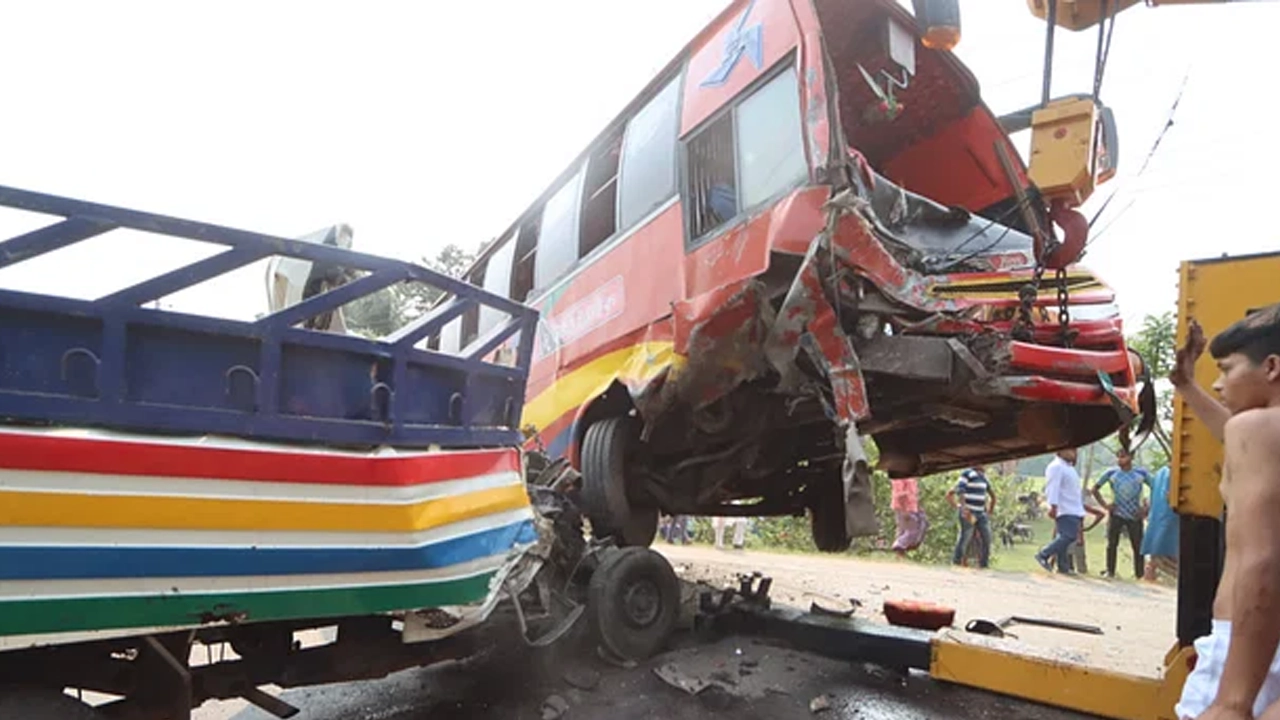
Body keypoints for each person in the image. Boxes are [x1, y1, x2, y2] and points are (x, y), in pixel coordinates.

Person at [1167, 309, 1280, 720]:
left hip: (1247, 647)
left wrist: (1233, 700)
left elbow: (1263, 561)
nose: (1218, 383)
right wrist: (1187, 386)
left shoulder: (1256, 430)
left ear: (1271, 367)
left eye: (1227, 370)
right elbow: (1237, 440)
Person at [1092, 448, 1154, 579]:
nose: (1119, 460)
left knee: (1137, 545)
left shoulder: (1140, 473)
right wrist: (1105, 505)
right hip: (1117, 513)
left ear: (1131, 457)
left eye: (1123, 457)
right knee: (1112, 544)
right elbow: (1095, 489)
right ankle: (1110, 571)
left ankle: (1139, 574)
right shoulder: (1111, 473)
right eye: (1118, 457)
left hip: (1135, 514)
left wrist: (1146, 508)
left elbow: (1155, 487)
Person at [1035, 448, 1086, 575]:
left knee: (1063, 536)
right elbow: (1053, 487)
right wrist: (1053, 506)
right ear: (1060, 451)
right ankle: (1043, 554)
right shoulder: (1056, 467)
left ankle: (1063, 567)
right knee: (1069, 536)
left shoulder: (1069, 468)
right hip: (1064, 508)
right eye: (1071, 450)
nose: (1074, 453)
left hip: (1073, 508)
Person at [947, 466, 995, 568]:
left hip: (981, 513)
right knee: (965, 537)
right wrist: (962, 507)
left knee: (987, 538)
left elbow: (992, 494)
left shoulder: (983, 477)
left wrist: (990, 510)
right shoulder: (967, 473)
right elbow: (960, 490)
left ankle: (984, 564)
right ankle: (957, 562)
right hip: (969, 512)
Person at [1142, 464, 1179, 582]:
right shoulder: (1172, 474)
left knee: (1156, 551)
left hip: (1157, 516)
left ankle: (1150, 575)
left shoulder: (1160, 473)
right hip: (1169, 516)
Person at [891, 476, 928, 557]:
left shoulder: (911, 477)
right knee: (912, 531)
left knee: (905, 530)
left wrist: (918, 507)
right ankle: (898, 545)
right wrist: (905, 510)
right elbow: (900, 494)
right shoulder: (900, 477)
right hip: (904, 508)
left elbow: (913, 495)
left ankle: (900, 555)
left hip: (911, 507)